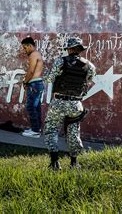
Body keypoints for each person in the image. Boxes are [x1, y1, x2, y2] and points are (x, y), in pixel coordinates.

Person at [43, 37, 96, 170]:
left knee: (51, 130)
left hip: (59, 102)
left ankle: (55, 162)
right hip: (75, 103)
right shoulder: (89, 66)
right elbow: (89, 80)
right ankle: (74, 163)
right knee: (73, 132)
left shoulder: (61, 62)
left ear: (70, 49)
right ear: (79, 50)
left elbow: (50, 79)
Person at [20, 37, 44, 138]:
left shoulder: (33, 55)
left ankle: (35, 131)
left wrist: (25, 82)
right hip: (37, 84)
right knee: (36, 107)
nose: (25, 50)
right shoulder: (37, 54)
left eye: (25, 48)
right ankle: (37, 129)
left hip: (34, 84)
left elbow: (31, 72)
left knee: (31, 107)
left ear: (30, 45)